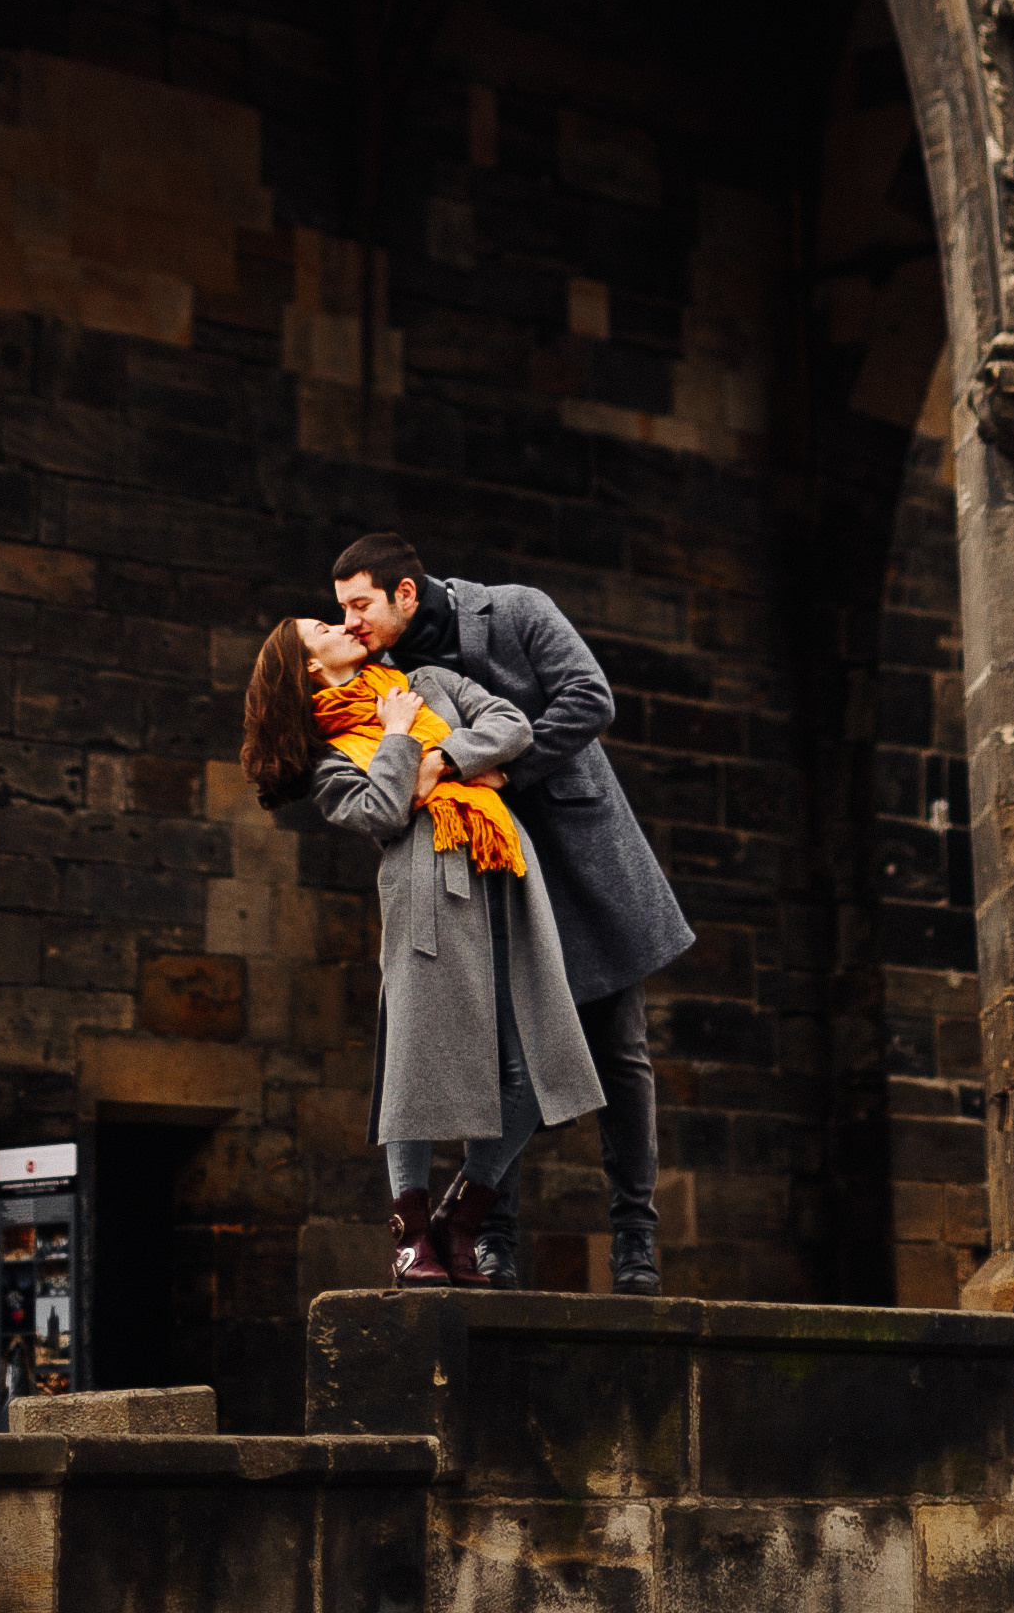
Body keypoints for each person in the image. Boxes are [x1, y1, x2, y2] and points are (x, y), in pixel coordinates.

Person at [333, 532, 693, 1293]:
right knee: (492, 1051)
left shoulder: (516, 611)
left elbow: (589, 699)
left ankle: (635, 1238)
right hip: (480, 871)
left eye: (361, 604)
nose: (350, 622)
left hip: (576, 852)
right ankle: (490, 1240)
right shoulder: (382, 672)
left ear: (405, 593)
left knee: (619, 1049)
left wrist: (487, 767)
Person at [240, 612, 605, 1287]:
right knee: (414, 1068)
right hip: (426, 894)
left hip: (506, 877)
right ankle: (411, 1238)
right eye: (323, 627)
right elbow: (381, 811)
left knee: (540, 1064)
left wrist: (441, 762)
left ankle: (459, 1219)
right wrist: (400, 736)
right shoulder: (328, 756)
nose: (343, 624)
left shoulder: (430, 681)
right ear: (310, 666)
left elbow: (512, 726)